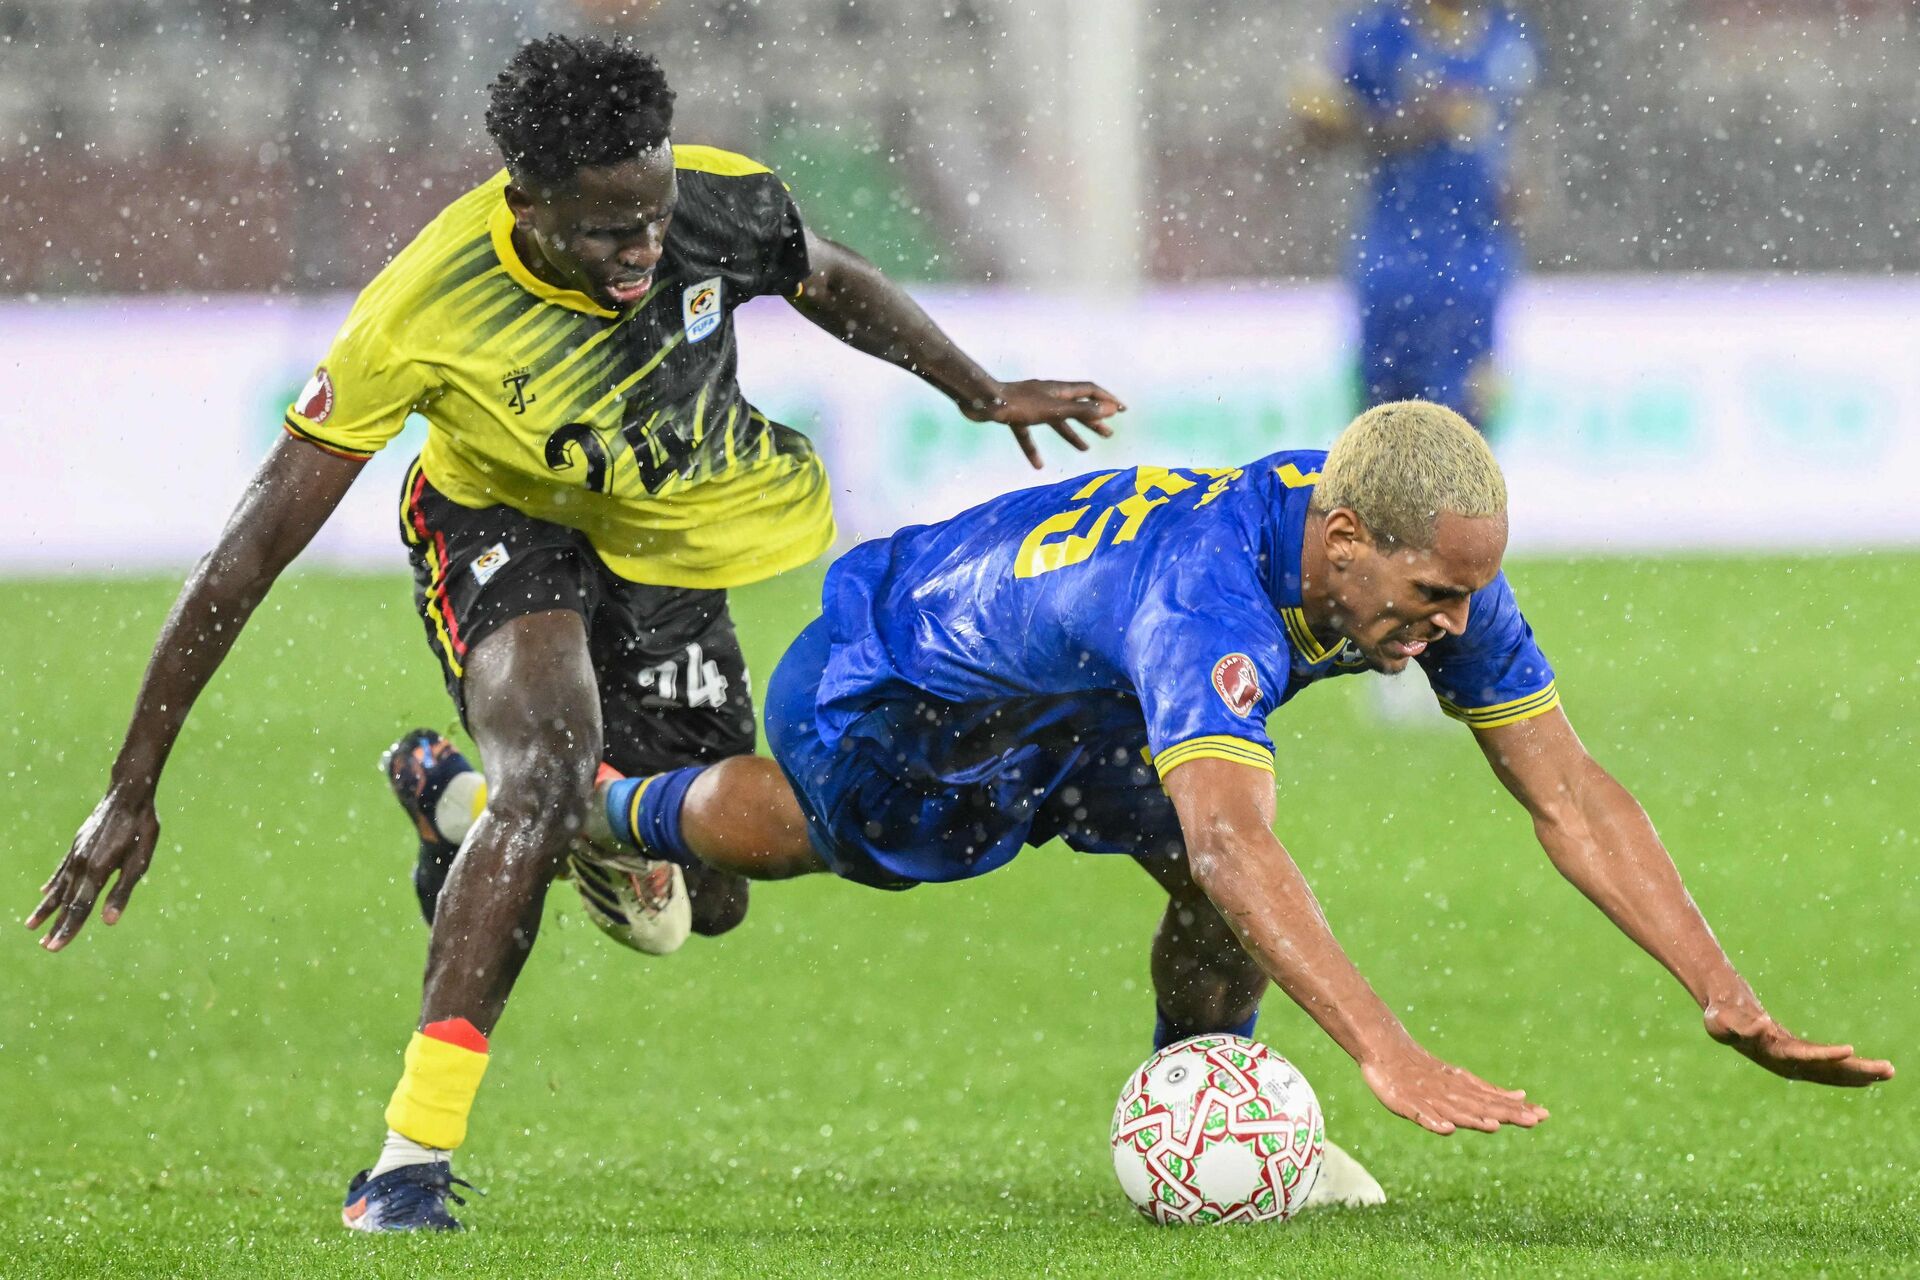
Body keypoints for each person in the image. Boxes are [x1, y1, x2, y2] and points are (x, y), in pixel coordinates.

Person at [25, 34, 1123, 1233]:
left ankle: (460, 806)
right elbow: (247, 553)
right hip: (502, 524)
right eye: (607, 233)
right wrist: (132, 782)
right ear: (525, 201)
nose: (643, 254)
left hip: (669, 543)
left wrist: (976, 387)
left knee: (700, 904)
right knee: (546, 774)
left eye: (651, 221)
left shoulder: (712, 200)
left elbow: (825, 271)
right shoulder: (424, 307)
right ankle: (406, 1161)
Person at [421, 400, 1892, 1226]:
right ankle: (553, 810)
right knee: (842, 843)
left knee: (1209, 873)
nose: (1450, 625)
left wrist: (1725, 994)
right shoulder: (1210, 587)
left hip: (1077, 702)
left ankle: (1219, 1129)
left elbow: (1568, 790)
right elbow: (1234, 837)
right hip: (902, 682)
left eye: (1467, 595)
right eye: (1429, 596)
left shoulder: (1432, 583)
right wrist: (1384, 1051)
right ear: (1340, 536)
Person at [1296, 0, 1537, 424]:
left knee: (1467, 428)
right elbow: (1314, 124)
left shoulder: (1510, 35)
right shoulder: (1377, 32)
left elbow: (1526, 127)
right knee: (1382, 428)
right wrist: (1407, 124)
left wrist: (1522, 182)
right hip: (1397, 259)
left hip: (1477, 263)